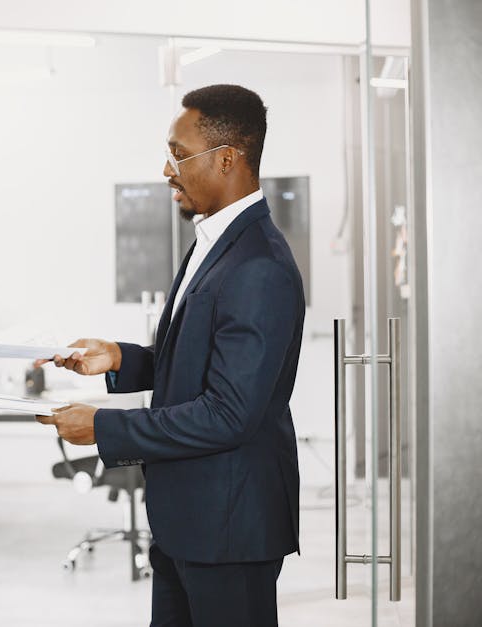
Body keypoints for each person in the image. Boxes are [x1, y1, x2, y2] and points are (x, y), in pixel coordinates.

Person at [37, 84, 303, 627]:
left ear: (227, 159)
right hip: (191, 520)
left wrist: (106, 429)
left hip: (230, 530)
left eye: (180, 155)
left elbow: (229, 413)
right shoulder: (216, 243)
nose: (166, 169)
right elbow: (194, 360)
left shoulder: (259, 266)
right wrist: (117, 358)